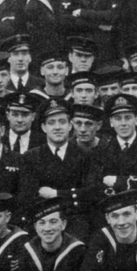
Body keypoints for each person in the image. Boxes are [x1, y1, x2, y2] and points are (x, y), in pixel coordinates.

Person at [17, 99, 98, 242]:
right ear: (43, 127)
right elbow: (29, 197)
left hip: (77, 222)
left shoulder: (86, 155)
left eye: (62, 122)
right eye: (51, 122)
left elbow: (91, 193)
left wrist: (56, 194)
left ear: (70, 126)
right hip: (43, 222)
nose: (57, 127)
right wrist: (72, 196)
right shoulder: (31, 157)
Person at [86, 94, 137, 223]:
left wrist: (117, 181)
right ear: (111, 122)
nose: (123, 123)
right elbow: (94, 187)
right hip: (111, 211)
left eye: (128, 118)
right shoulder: (100, 151)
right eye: (118, 118)